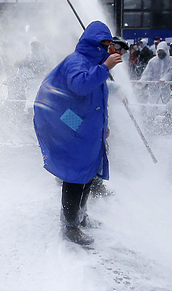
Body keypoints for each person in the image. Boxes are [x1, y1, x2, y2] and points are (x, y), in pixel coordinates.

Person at [33, 21, 122, 246]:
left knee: (88, 172)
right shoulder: (77, 62)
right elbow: (80, 86)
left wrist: (103, 125)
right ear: (92, 44)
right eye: (103, 45)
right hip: (65, 119)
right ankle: (70, 226)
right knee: (75, 175)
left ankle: (80, 217)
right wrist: (105, 68)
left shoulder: (93, 63)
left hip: (85, 123)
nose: (107, 49)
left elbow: (97, 100)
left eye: (109, 45)